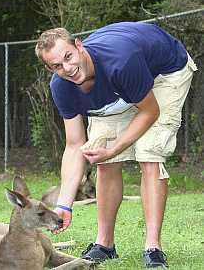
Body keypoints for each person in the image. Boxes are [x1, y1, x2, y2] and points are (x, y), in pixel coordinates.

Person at [35, 22, 197, 268]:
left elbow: (149, 111)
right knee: (104, 160)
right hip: (123, 85)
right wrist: (64, 205)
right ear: (50, 68)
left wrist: (114, 147)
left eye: (68, 57)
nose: (67, 68)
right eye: (57, 66)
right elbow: (74, 145)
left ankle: (153, 248)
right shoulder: (62, 87)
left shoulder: (120, 62)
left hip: (166, 72)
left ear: (79, 46)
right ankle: (104, 245)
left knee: (148, 152)